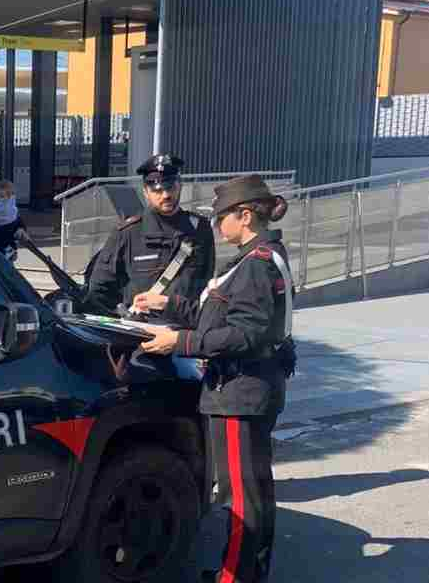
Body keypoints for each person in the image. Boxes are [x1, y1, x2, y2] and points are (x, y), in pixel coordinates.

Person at [134, 174, 297, 583]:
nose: (216, 224)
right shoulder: (256, 256)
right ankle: (248, 571)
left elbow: (245, 334)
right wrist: (169, 303)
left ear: (245, 216)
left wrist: (179, 342)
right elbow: (220, 315)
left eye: (220, 216)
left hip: (238, 393)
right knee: (254, 490)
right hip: (248, 390)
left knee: (240, 496)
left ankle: (235, 578)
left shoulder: (256, 265)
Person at [81, 153, 215, 321]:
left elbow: (205, 282)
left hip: (185, 331)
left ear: (180, 185)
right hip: (142, 332)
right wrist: (125, 315)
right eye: (157, 189)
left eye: (170, 187)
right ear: (145, 192)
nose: (165, 195)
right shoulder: (128, 233)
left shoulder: (200, 229)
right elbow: (99, 288)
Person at [0, 179, 22, 260]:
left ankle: (10, 251)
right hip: (6, 229)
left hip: (7, 226)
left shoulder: (8, 205)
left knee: (4, 238)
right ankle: (11, 251)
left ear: (9, 196)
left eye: (2, 196)